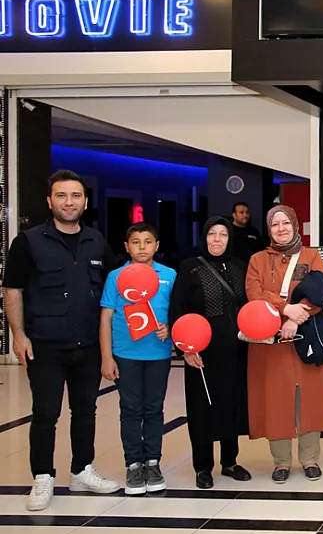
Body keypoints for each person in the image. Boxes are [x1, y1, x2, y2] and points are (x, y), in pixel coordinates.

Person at [2, 170, 121, 511]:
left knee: (86, 411)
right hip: (45, 344)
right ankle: (43, 476)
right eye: (61, 196)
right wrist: (19, 335)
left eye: (75, 196)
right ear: (49, 201)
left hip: (87, 344)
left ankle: (82, 469)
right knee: (45, 413)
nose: (69, 202)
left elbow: (113, 293)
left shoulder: (97, 241)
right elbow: (13, 290)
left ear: (85, 201)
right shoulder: (28, 241)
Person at [246, 206, 323, 483]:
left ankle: (309, 458)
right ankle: (281, 461)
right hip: (269, 343)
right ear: (269, 229)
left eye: (286, 223)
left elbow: (321, 290)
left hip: (307, 337)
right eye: (275, 224)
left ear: (295, 225)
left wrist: (297, 318)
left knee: (309, 398)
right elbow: (254, 293)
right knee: (276, 398)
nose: (281, 228)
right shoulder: (258, 259)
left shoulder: (310, 256)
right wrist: (286, 310)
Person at [169, 217, 252, 489]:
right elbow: (178, 310)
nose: (217, 240)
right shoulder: (190, 267)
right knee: (202, 407)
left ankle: (230, 461)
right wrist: (185, 348)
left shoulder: (241, 266)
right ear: (204, 237)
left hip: (237, 349)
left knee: (232, 404)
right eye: (212, 234)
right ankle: (202, 466)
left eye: (223, 235)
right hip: (202, 351)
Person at [98, 223, 176, 495]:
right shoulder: (115, 277)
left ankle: (153, 463)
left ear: (157, 245)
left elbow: (177, 313)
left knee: (154, 408)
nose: (142, 247)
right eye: (136, 242)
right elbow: (106, 318)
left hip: (158, 354)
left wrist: (171, 329)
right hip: (125, 354)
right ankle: (133, 464)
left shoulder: (169, 276)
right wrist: (107, 357)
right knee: (130, 409)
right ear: (126, 246)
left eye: (147, 242)